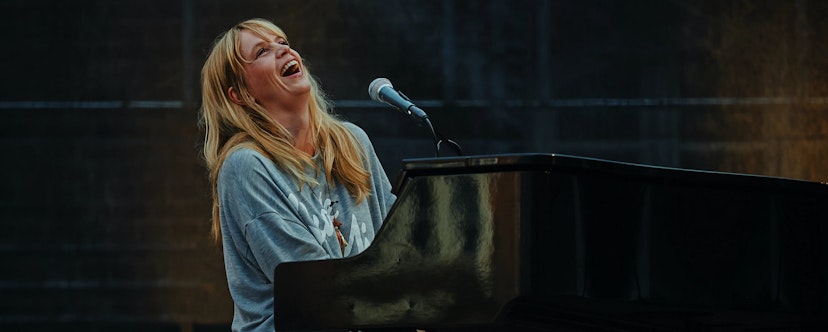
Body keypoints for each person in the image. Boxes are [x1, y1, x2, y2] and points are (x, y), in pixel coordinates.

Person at [199, 18, 397, 331]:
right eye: (262, 51)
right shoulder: (246, 166)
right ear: (240, 94)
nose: (283, 50)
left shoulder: (352, 141)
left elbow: (399, 248)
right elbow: (313, 287)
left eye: (283, 41)